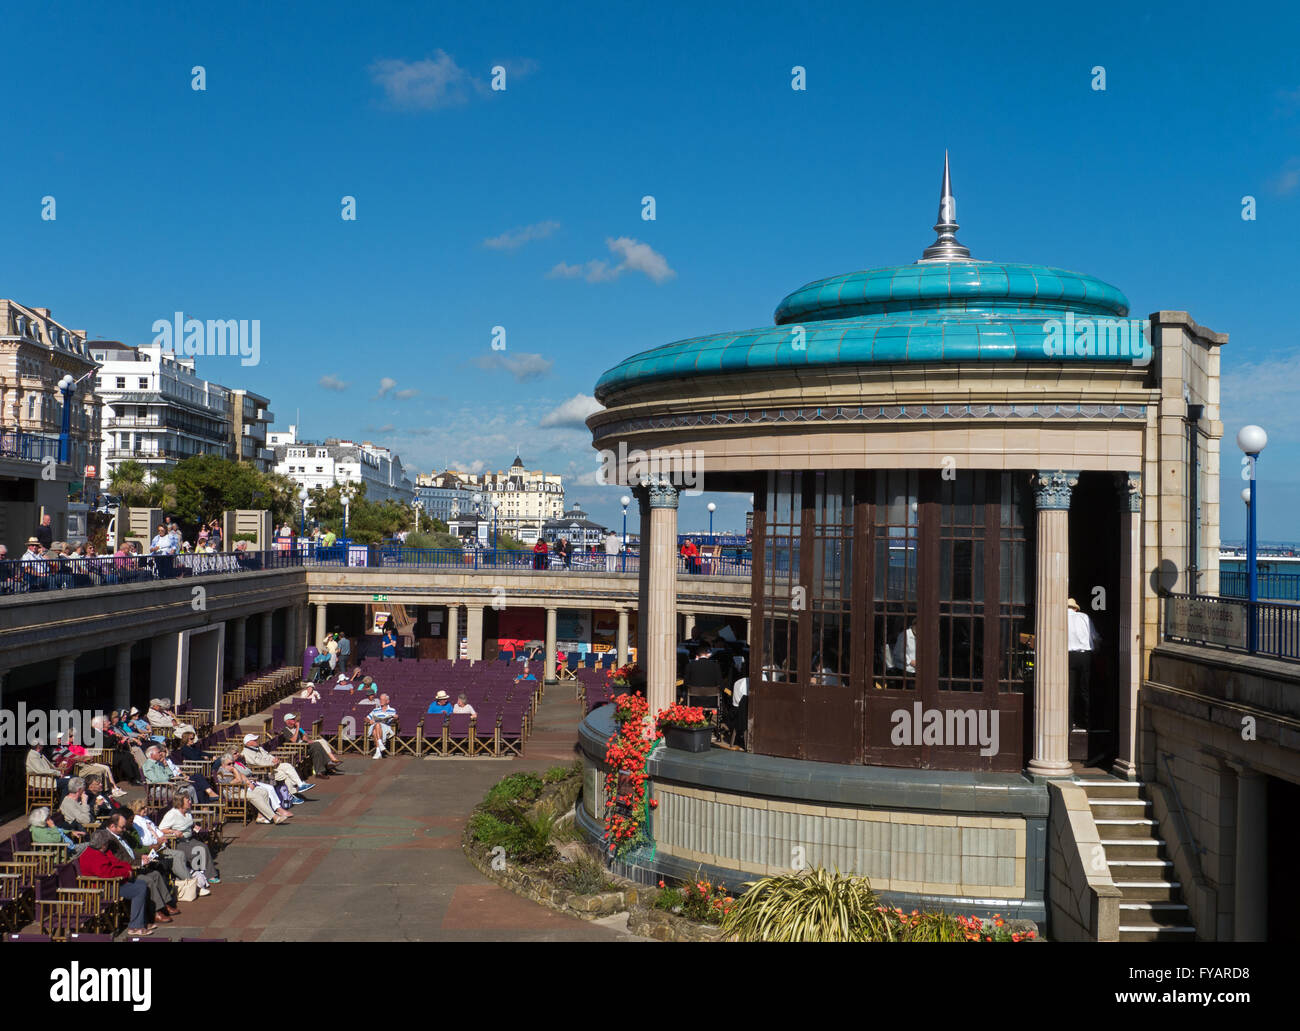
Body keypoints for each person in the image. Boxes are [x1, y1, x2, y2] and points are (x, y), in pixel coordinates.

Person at [80, 829, 154, 935]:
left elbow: (116, 862)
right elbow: (107, 873)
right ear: (103, 844)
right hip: (101, 888)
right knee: (139, 889)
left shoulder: (102, 851)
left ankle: (141, 921)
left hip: (110, 883)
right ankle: (135, 927)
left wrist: (126, 869)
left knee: (141, 883)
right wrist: (126, 873)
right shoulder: (93, 856)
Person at [158, 793, 219, 891]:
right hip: (178, 842)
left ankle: (209, 875)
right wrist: (173, 831)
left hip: (189, 839)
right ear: (180, 803)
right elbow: (160, 829)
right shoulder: (172, 814)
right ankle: (197, 876)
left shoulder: (187, 811)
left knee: (203, 847)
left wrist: (194, 826)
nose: (190, 802)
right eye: (188, 801)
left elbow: (188, 822)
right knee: (195, 851)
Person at [214, 753, 291, 824]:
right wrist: (234, 770)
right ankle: (275, 817)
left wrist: (248, 782)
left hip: (241, 790)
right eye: (229, 764)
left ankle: (261, 816)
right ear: (223, 764)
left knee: (263, 791)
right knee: (256, 796)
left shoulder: (230, 768)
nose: (232, 765)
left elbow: (241, 775)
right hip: (232, 793)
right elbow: (239, 780)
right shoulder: (222, 772)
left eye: (233, 763)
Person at [1067, 597, 1101, 737]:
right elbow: (1095, 637)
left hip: (1068, 656)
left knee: (1069, 691)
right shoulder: (1084, 617)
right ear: (1075, 608)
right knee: (1085, 690)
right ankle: (1087, 723)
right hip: (1084, 656)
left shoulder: (1060, 619)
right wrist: (1097, 651)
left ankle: (1068, 724)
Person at [241, 733, 313, 797]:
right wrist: (273, 763)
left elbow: (268, 755)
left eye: (256, 739)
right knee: (284, 775)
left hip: (272, 766)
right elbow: (259, 763)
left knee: (287, 765)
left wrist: (275, 759)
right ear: (248, 743)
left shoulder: (258, 748)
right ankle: (292, 795)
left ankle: (301, 785)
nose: (257, 741)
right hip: (263, 771)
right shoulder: (246, 753)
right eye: (254, 740)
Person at [366, 693, 398, 758]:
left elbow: (394, 721)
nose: (381, 701)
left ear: (387, 701)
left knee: (375, 729)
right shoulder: (375, 710)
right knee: (377, 725)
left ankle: (378, 751)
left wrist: (395, 718)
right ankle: (380, 744)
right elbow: (366, 718)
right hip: (376, 726)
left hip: (386, 727)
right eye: (380, 699)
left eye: (383, 700)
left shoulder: (392, 710)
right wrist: (369, 721)